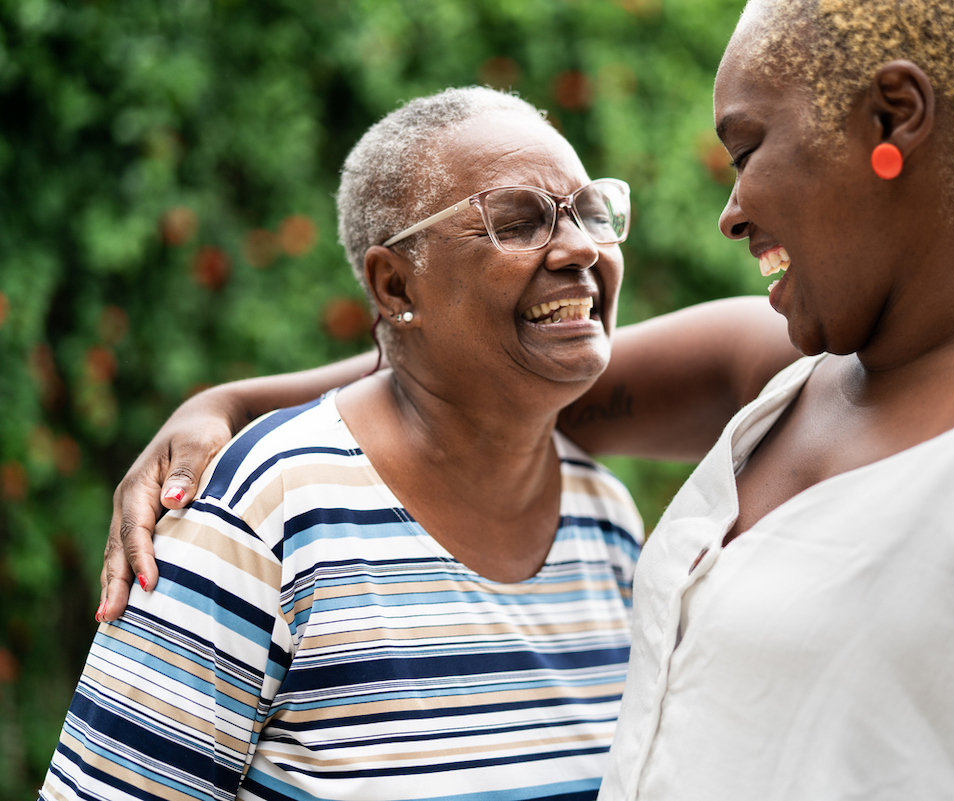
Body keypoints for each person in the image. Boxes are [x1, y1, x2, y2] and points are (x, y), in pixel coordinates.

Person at [101, 0, 954, 798]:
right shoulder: (780, 374)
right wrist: (232, 402)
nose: (729, 210)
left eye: (748, 147)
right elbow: (489, 364)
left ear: (893, 116)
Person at [43, 86, 795, 801]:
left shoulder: (604, 522)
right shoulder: (263, 510)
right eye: (519, 220)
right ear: (397, 289)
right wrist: (231, 406)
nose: (579, 249)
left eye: (590, 212)